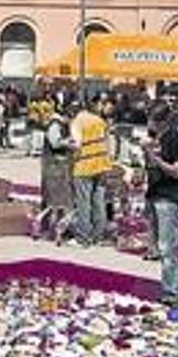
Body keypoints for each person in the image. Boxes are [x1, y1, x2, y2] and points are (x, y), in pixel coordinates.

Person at [143, 103, 178, 306]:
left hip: (168, 196)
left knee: (166, 247)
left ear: (161, 121)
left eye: (151, 119)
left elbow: (177, 171)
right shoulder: (156, 138)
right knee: (162, 246)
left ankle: (172, 292)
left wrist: (156, 160)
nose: (148, 123)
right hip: (155, 194)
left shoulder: (174, 139)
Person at [68, 98, 113, 246]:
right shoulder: (99, 120)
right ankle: (98, 236)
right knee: (99, 202)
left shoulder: (77, 122)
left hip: (84, 165)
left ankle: (83, 238)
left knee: (83, 203)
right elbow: (107, 141)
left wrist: (66, 144)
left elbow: (77, 144)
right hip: (101, 164)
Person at [40, 102, 75, 235]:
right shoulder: (55, 124)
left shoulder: (60, 124)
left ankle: (57, 226)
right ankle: (48, 226)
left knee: (59, 197)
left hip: (57, 164)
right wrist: (69, 144)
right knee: (52, 197)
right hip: (52, 164)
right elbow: (55, 143)